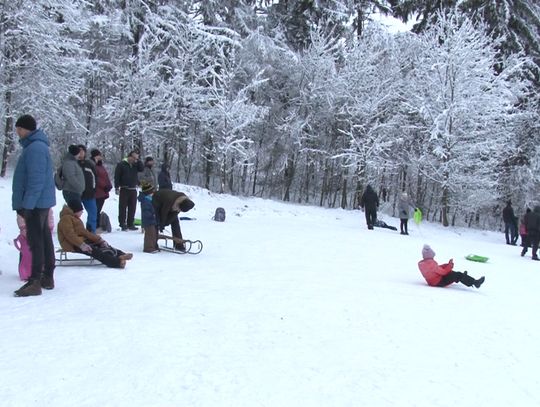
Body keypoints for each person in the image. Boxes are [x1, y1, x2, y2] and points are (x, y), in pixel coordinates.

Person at [11, 114, 57, 297]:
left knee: (36, 241)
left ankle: (35, 280)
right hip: (39, 202)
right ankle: (47, 276)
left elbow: (36, 180)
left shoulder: (35, 148)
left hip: (36, 204)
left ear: (27, 129)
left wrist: (27, 205)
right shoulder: (35, 146)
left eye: (20, 129)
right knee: (44, 239)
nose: (18, 133)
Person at [57, 201, 133, 268]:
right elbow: (70, 235)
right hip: (72, 244)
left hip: (81, 241)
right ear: (75, 210)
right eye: (81, 210)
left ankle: (120, 254)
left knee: (102, 245)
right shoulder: (65, 219)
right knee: (95, 251)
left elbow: (85, 233)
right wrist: (82, 245)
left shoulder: (74, 218)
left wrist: (99, 240)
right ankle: (117, 262)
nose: (82, 212)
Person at [418, 244, 485, 288]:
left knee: (453, 273)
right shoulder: (431, 263)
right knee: (456, 274)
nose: (433, 257)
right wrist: (450, 265)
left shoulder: (424, 263)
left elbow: (436, 269)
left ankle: (462, 277)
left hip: (433, 281)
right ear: (430, 255)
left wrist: (446, 265)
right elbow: (443, 272)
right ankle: (475, 283)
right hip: (439, 282)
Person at [114, 150, 144, 231]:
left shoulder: (135, 165)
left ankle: (130, 223)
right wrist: (116, 187)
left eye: (135, 158)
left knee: (132, 207)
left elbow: (141, 169)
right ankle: (122, 223)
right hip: (124, 188)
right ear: (129, 156)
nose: (134, 159)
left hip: (133, 189)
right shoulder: (122, 164)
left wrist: (138, 160)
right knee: (123, 207)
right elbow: (117, 176)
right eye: (133, 157)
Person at [90, 149, 113, 230]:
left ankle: (97, 225)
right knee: (95, 209)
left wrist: (109, 185)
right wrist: (104, 186)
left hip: (103, 192)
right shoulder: (93, 165)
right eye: (99, 155)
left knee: (98, 209)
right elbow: (96, 178)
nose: (101, 157)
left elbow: (106, 176)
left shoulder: (101, 166)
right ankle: (94, 226)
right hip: (96, 191)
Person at [77, 145, 98, 233]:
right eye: (79, 150)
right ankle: (76, 232)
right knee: (75, 214)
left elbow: (95, 177)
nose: (81, 152)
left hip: (89, 193)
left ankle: (91, 233)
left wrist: (93, 189)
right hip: (76, 193)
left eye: (83, 150)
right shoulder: (73, 163)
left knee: (93, 213)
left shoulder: (89, 163)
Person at [138, 181, 159, 253]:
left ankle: (153, 246)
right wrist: (152, 215)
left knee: (153, 233)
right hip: (148, 220)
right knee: (150, 234)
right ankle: (148, 248)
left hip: (152, 220)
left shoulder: (149, 199)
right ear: (148, 192)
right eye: (151, 191)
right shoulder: (145, 201)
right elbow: (145, 211)